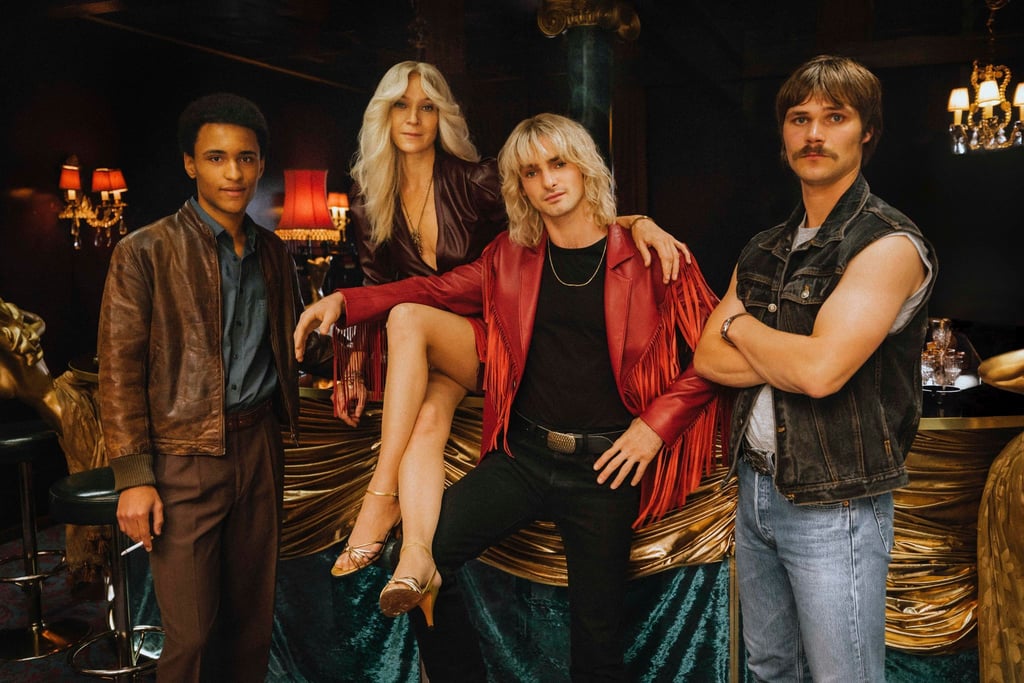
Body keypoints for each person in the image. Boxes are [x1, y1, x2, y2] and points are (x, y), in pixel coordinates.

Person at [296, 112, 722, 681]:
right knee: (419, 565)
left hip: (605, 471)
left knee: (597, 652)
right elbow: (431, 290)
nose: (547, 180)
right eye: (530, 172)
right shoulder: (509, 256)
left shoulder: (652, 257)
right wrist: (346, 302)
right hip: (523, 457)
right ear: (519, 187)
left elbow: (716, 355)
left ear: (585, 166)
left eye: (558, 163)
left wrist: (654, 426)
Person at [323, 60, 688, 586]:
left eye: (427, 107)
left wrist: (635, 223)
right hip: (430, 347)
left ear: (444, 116)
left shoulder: (478, 180)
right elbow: (385, 282)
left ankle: (382, 506)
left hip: (488, 339)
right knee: (425, 416)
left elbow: (560, 219)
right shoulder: (366, 193)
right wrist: (352, 351)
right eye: (401, 105)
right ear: (382, 114)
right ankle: (415, 560)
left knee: (408, 320)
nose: (413, 118)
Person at [693, 55, 937, 681]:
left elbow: (821, 373)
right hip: (756, 485)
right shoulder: (764, 247)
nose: (814, 134)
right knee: (771, 668)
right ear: (783, 135)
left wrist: (740, 327)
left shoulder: (887, 243)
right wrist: (791, 353)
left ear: (866, 132)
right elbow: (707, 357)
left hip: (837, 501)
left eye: (835, 117)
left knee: (841, 675)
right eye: (799, 119)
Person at [98, 93, 305, 682]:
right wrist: (134, 478)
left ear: (261, 164)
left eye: (246, 158)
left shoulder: (274, 253)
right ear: (190, 163)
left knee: (251, 627)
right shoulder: (144, 251)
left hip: (260, 447)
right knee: (190, 637)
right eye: (216, 158)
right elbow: (119, 372)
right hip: (182, 458)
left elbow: (292, 345)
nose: (233, 173)